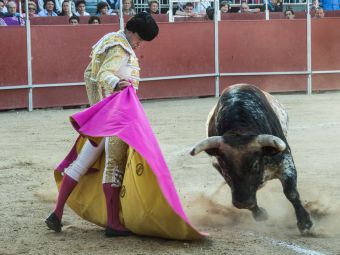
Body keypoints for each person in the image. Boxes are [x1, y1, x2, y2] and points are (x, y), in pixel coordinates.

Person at [45, 12, 159, 237]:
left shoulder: (109, 40)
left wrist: (99, 105)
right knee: (114, 165)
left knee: (80, 163)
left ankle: (56, 213)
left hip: (103, 117)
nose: (140, 44)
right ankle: (113, 223)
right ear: (134, 32)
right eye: (140, 39)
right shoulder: (120, 48)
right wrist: (117, 83)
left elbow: (89, 74)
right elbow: (104, 74)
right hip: (116, 116)